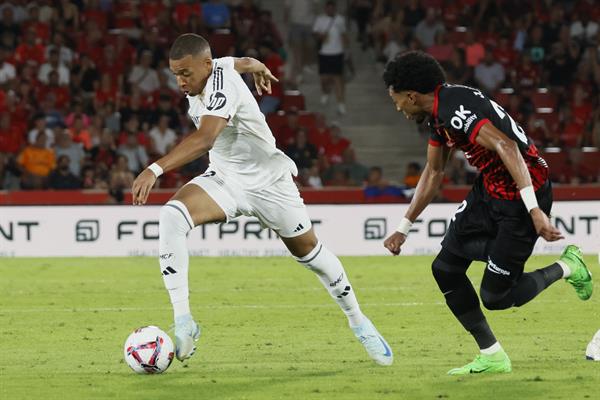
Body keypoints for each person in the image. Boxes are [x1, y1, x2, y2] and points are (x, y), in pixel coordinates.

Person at [131, 33, 393, 366]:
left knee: (312, 255)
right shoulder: (217, 67)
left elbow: (206, 138)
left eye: (186, 73)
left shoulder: (222, 85)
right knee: (171, 216)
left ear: (206, 66)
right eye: (175, 75)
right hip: (226, 180)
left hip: (270, 183)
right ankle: (184, 321)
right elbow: (240, 61)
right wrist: (258, 67)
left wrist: (155, 168)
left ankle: (358, 320)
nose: (181, 81)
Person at [382, 51, 592, 375]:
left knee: (495, 297)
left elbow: (507, 147)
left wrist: (534, 209)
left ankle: (567, 265)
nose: (398, 108)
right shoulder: (440, 113)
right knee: (445, 268)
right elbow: (434, 172)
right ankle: (492, 355)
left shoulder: (453, 108)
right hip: (489, 190)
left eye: (397, 100)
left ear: (411, 95)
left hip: (523, 197)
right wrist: (404, 226)